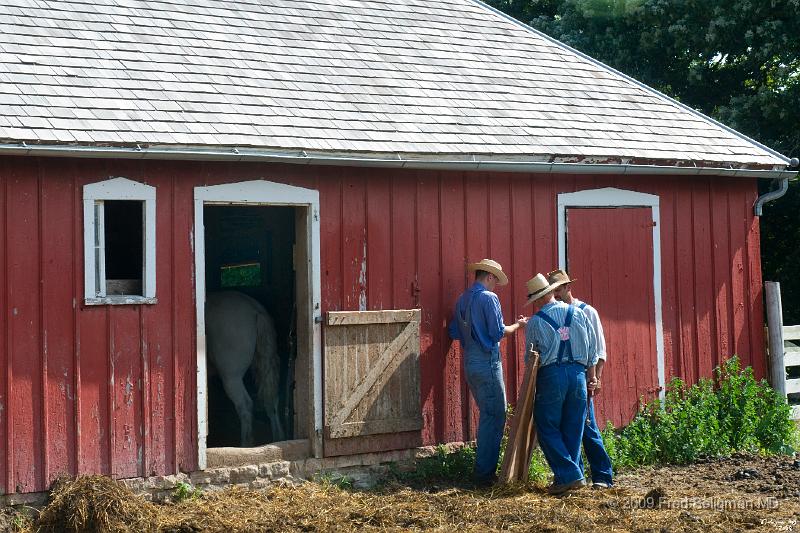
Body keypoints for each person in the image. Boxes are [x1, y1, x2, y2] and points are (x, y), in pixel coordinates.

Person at [448, 258, 528, 486]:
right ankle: (484, 473)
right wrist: (517, 326)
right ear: (490, 277)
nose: (495, 286)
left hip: (470, 362)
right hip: (487, 361)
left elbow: (454, 331)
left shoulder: (463, 299)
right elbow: (496, 332)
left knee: (487, 413)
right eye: (495, 281)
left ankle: (483, 469)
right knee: (495, 415)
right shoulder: (488, 298)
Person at [524, 273, 598, 495]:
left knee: (546, 425)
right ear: (551, 292)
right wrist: (591, 377)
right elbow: (593, 349)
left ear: (537, 299)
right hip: (578, 375)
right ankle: (567, 480)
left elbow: (530, 359)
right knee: (573, 428)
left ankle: (570, 475)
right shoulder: (578, 313)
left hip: (552, 376)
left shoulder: (536, 322)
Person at [547, 269, 614, 489]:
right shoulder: (556, 314)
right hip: (570, 378)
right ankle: (576, 475)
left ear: (568, 287)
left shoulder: (586, 312)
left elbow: (598, 349)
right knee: (573, 427)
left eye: (558, 289)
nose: (555, 294)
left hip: (584, 376)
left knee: (587, 427)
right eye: (552, 290)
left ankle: (602, 476)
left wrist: (596, 378)